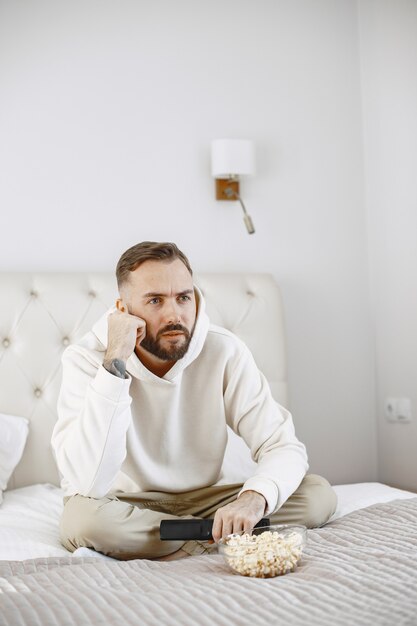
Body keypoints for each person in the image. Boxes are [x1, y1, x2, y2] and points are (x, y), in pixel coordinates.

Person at [51, 241, 337, 560]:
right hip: (125, 503)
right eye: (155, 300)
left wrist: (253, 499)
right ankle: (219, 536)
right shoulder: (86, 359)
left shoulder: (225, 350)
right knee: (84, 522)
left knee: (317, 495)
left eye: (183, 298)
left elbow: (282, 446)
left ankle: (186, 537)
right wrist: (115, 363)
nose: (175, 315)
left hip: (208, 499)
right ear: (123, 311)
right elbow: (88, 482)